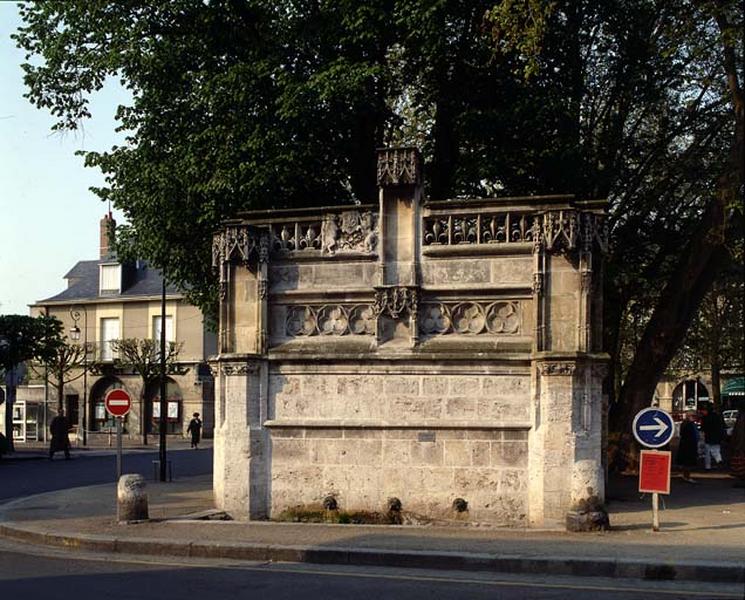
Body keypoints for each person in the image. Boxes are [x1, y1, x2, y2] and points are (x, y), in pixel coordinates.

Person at [701, 404, 726, 470]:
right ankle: (719, 460)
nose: (702, 412)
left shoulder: (705, 418)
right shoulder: (717, 416)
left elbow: (703, 428)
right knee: (716, 451)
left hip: (708, 437)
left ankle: (708, 466)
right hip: (716, 437)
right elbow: (721, 426)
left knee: (707, 453)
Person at [677, 410, 699, 483]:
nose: (695, 418)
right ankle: (687, 476)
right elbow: (687, 434)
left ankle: (686, 476)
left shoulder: (688, 423)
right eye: (693, 416)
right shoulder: (688, 424)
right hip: (688, 445)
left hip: (688, 444)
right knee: (688, 462)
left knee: (687, 462)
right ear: (689, 416)